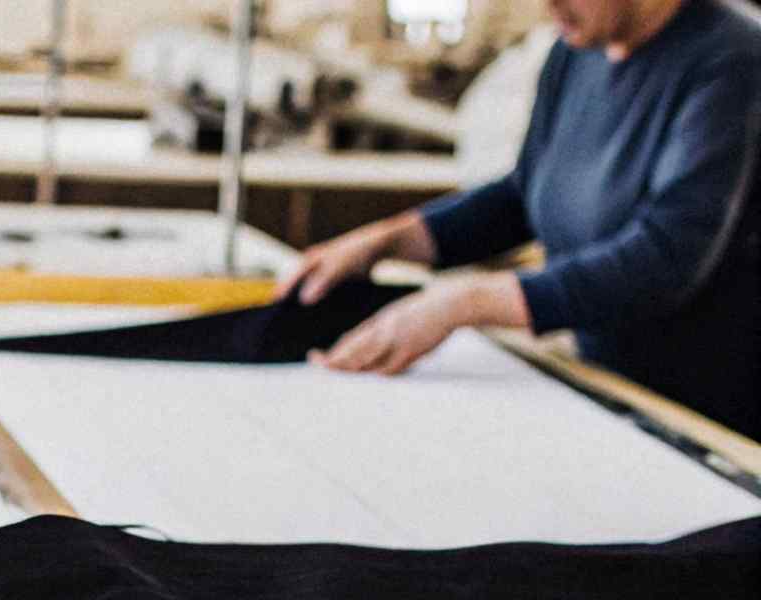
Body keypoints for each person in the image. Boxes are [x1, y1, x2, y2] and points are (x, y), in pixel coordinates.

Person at [283, 0, 761, 437]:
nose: (546, 5)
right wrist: (386, 241)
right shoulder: (575, 52)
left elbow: (665, 258)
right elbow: (526, 194)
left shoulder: (732, 59)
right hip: (615, 396)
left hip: (712, 427)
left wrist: (465, 303)